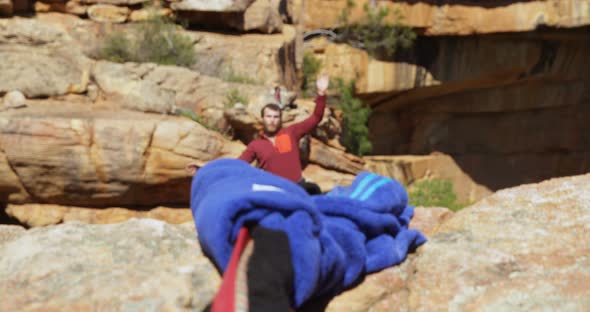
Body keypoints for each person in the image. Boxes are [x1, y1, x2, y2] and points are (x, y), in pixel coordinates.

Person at [237, 74, 329, 194]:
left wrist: (321, 93)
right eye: (268, 116)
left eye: (276, 117)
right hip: (275, 192)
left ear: (280, 119)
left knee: (314, 190)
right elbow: (237, 165)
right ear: (262, 119)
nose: (272, 120)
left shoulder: (291, 133)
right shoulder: (256, 145)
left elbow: (316, 118)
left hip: (297, 187)